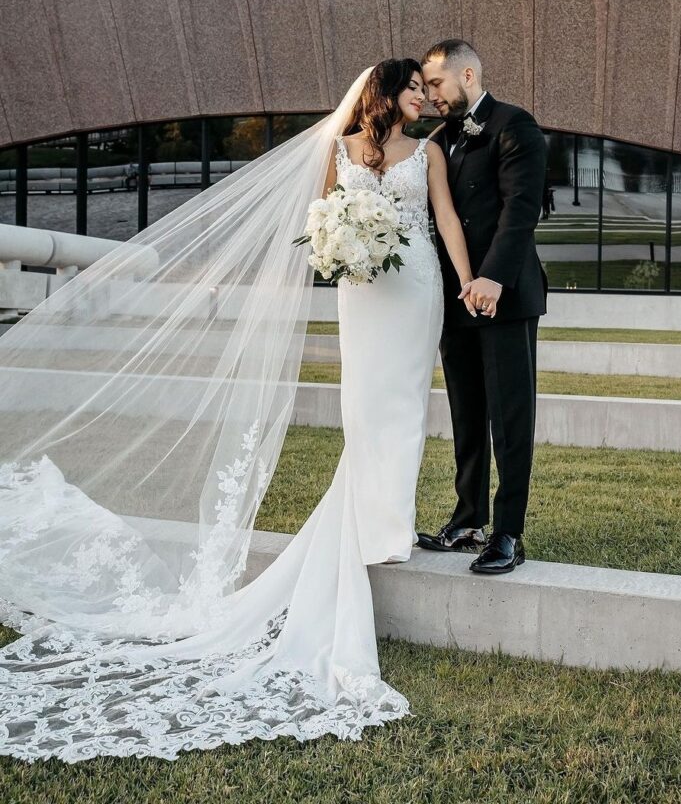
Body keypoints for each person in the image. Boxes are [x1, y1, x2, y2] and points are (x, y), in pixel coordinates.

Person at [0, 59, 475, 762]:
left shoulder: (429, 153)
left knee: (403, 402)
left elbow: (443, 220)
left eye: (423, 90)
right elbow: (319, 226)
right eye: (411, 88)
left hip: (417, 286)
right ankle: (372, 518)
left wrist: (466, 283)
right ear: (385, 95)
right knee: (364, 405)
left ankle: (388, 524)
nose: (421, 98)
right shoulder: (339, 151)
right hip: (363, 294)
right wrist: (341, 249)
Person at [416, 40, 547, 575]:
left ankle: (508, 533)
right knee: (467, 414)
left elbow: (521, 209)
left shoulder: (515, 126)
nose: (430, 97)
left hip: (506, 298)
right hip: (454, 299)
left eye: (437, 85)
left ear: (467, 75)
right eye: (424, 88)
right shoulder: (436, 140)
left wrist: (491, 276)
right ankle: (468, 518)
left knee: (509, 419)